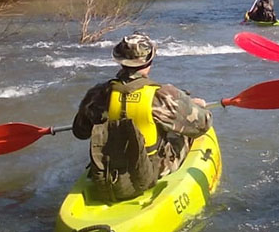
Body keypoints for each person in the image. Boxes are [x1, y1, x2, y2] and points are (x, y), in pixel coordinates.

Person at [72, 32, 212, 201]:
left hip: (110, 168)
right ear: (149, 62)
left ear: (120, 61)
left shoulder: (99, 93)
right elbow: (203, 124)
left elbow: (80, 131)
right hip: (152, 170)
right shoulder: (163, 95)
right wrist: (195, 106)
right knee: (182, 132)